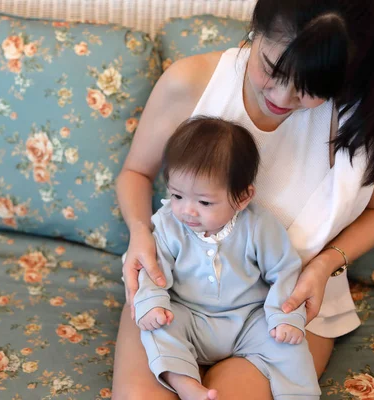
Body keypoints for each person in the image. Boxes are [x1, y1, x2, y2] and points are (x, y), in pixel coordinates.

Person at [112, 0, 374, 398]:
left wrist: (322, 267)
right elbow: (135, 173)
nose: (283, 97)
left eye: (310, 89)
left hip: (284, 303)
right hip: (178, 294)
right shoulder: (190, 83)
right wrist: (139, 233)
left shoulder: (366, 117)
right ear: (257, 28)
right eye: (272, 70)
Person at [134, 116, 320, 400]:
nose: (187, 211)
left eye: (204, 202)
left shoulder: (259, 227)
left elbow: (285, 272)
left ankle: (299, 396)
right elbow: (152, 270)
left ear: (243, 198)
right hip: (189, 316)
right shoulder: (168, 224)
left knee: (289, 345)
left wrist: (286, 318)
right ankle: (186, 384)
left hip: (248, 320)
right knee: (157, 328)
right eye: (177, 195)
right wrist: (152, 304)